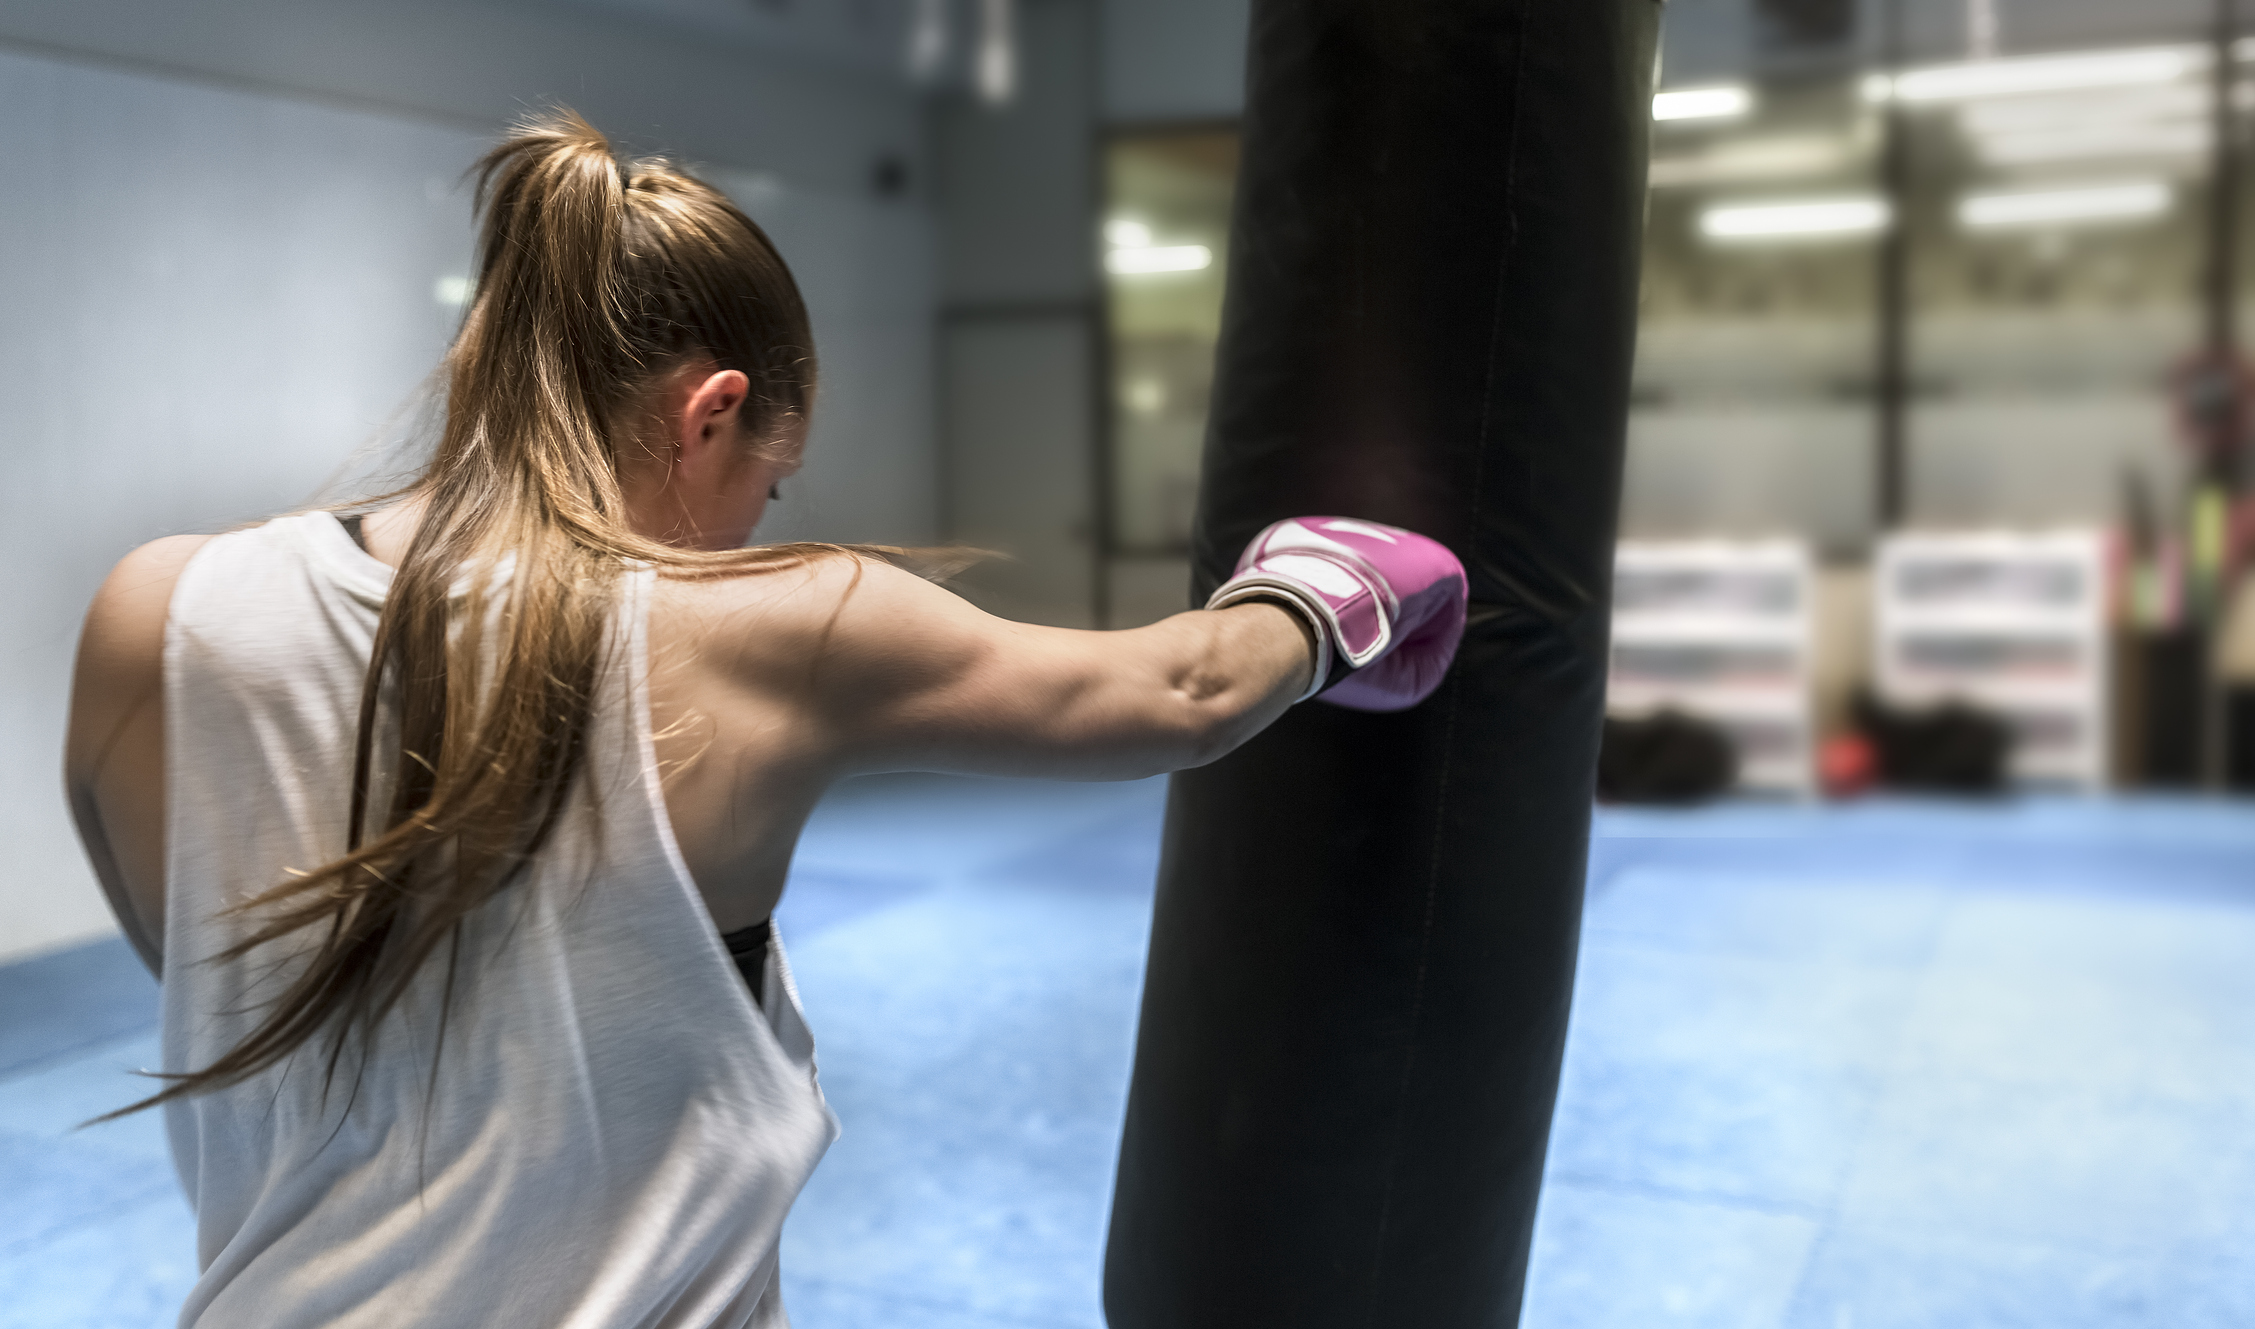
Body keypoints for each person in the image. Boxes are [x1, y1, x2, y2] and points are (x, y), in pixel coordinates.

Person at [62, 110, 1466, 1328]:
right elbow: (1181, 690)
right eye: (767, 484)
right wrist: (1332, 589)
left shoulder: (158, 609)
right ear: (711, 414)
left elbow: (207, 960)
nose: (754, 529)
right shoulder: (768, 624)